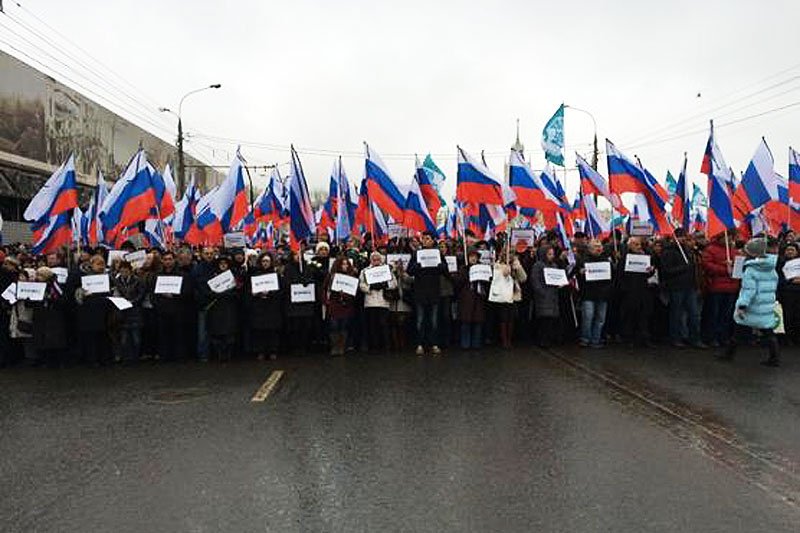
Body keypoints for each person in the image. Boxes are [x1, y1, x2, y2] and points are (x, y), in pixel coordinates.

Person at [719, 237, 780, 367]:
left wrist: (742, 305)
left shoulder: (751, 270)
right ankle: (775, 357)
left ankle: (729, 354)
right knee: (768, 330)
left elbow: (748, 290)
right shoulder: (770, 266)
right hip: (765, 303)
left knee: (738, 327)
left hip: (752, 304)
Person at [660, 230, 706, 349]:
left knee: (694, 314)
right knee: (676, 314)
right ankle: (675, 338)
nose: (683, 240)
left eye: (684, 238)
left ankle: (695, 338)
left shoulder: (688, 251)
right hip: (676, 287)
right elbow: (667, 270)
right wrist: (683, 268)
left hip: (690, 286)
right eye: (681, 238)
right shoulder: (668, 252)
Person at [407, 231, 449, 356]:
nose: (425, 240)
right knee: (420, 320)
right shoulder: (416, 254)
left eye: (428, 238)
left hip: (434, 291)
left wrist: (441, 266)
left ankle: (434, 344)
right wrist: (417, 266)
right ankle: (420, 344)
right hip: (420, 291)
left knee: (434, 320)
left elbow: (446, 271)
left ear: (432, 240)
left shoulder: (438, 254)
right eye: (424, 238)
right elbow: (409, 271)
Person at [152, 251, 194, 362]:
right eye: (165, 259)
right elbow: (153, 293)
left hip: (178, 310)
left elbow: (188, 292)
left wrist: (174, 295)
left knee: (179, 335)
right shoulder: (157, 276)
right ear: (162, 261)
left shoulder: (182, 275)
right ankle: (165, 356)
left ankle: (179, 356)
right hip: (163, 310)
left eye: (170, 259)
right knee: (163, 335)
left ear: (174, 260)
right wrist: (158, 305)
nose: (168, 262)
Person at [701, 232, 740, 347]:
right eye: (726, 236)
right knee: (714, 314)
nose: (729, 239)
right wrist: (725, 269)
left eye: (730, 237)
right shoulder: (710, 250)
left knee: (726, 314)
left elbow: (739, 266)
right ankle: (711, 337)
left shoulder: (734, 251)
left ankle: (723, 336)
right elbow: (707, 265)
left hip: (731, 287)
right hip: (716, 287)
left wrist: (734, 268)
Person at [617, 237, 655, 347]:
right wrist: (624, 289)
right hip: (630, 292)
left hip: (643, 290)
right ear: (630, 246)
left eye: (639, 244)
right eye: (636, 244)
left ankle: (644, 338)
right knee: (630, 316)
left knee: (644, 316)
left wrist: (650, 271)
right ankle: (629, 338)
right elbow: (620, 275)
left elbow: (648, 274)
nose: (639, 247)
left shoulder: (645, 257)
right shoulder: (625, 258)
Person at [75, 255, 112, 366]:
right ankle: (92, 359)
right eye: (98, 264)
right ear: (92, 265)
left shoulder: (107, 276)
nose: (101, 267)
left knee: (103, 336)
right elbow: (77, 295)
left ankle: (103, 358)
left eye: (102, 264)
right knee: (91, 337)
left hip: (103, 310)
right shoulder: (84, 277)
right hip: (89, 311)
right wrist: (83, 294)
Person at [245, 252, 284, 360]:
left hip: (272, 306)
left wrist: (270, 293)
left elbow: (281, 291)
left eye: (267, 261)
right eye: (263, 261)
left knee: (272, 330)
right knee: (259, 330)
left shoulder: (276, 275)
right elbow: (249, 291)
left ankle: (273, 351)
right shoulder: (255, 275)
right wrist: (254, 293)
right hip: (259, 306)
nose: (265, 263)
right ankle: (260, 351)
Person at [576, 239, 613, 348]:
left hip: (602, 294)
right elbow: (576, 274)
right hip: (588, 293)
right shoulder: (583, 260)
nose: (599, 248)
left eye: (600, 246)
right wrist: (581, 272)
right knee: (588, 316)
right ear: (590, 248)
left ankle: (595, 339)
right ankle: (585, 338)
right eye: (596, 246)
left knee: (600, 318)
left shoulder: (606, 260)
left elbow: (612, 276)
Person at [359, 252, 397, 353]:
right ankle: (374, 346)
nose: (376, 261)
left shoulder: (386, 270)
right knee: (372, 325)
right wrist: (370, 287)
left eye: (378, 259)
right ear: (370, 260)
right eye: (374, 259)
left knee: (383, 324)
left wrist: (385, 285)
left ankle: (386, 345)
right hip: (370, 302)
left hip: (383, 301)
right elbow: (361, 285)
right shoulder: (365, 271)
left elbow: (394, 283)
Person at [30, 266, 68, 368]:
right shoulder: (36, 285)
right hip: (41, 314)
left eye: (40, 275)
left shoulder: (55, 286)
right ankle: (44, 360)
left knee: (55, 338)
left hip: (53, 314)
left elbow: (62, 299)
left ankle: (57, 360)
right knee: (41, 338)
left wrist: (50, 299)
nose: (37, 277)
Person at [206, 256, 241, 362]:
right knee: (217, 333)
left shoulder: (233, 276)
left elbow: (238, 292)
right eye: (221, 263)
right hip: (216, 308)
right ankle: (219, 354)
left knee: (229, 333)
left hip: (229, 308)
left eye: (225, 263)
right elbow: (208, 291)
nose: (223, 265)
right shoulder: (212, 276)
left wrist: (226, 293)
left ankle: (228, 354)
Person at [492, 247, 528, 349]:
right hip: (503, 294)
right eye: (509, 253)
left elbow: (523, 278)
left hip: (513, 294)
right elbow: (497, 278)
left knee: (511, 318)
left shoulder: (516, 264)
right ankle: (504, 340)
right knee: (503, 318)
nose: (510, 255)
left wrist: (518, 267)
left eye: (512, 253)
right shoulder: (498, 264)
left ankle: (509, 339)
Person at [324, 256, 359, 356]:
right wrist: (326, 301)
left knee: (344, 326)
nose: (345, 266)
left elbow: (354, 292)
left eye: (347, 264)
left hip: (346, 305)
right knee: (334, 326)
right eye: (343, 264)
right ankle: (335, 346)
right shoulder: (331, 276)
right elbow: (325, 289)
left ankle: (342, 347)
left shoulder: (351, 276)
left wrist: (346, 295)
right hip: (335, 305)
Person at [455, 249, 489, 350]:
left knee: (478, 321)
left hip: (479, 297)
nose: (473, 258)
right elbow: (457, 283)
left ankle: (476, 343)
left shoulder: (483, 268)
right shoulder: (463, 269)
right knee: (466, 321)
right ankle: (465, 344)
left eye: (475, 256)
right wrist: (466, 274)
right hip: (466, 298)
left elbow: (487, 282)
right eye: (471, 256)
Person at [113, 260, 146, 363]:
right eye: (122, 271)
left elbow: (141, 294)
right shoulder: (117, 281)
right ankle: (126, 357)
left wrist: (132, 302)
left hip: (135, 311)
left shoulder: (138, 281)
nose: (124, 273)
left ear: (130, 271)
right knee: (124, 337)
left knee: (136, 337)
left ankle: (136, 356)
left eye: (126, 271)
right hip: (123, 312)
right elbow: (116, 293)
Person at [530, 245, 562, 348]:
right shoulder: (538, 265)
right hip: (543, 296)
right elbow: (535, 281)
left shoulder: (554, 266)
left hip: (553, 296)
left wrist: (560, 283)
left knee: (551, 320)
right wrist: (542, 292)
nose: (552, 256)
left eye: (552, 254)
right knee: (544, 320)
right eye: (549, 254)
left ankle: (549, 339)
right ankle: (542, 340)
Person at [777, 242, 800, 346]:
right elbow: (778, 278)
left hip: (798, 291)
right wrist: (790, 281)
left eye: (792, 250)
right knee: (787, 315)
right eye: (788, 250)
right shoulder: (780, 263)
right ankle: (786, 338)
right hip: (786, 292)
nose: (790, 252)